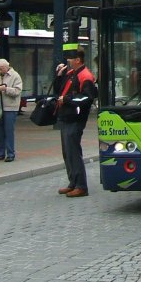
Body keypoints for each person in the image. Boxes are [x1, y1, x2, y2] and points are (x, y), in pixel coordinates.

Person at [54, 48, 95, 198]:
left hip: (75, 119)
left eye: (70, 58)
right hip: (67, 117)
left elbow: (87, 98)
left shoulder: (85, 76)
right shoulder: (72, 74)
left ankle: (81, 186)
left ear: (78, 59)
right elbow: (59, 90)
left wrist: (67, 100)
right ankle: (73, 182)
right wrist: (59, 76)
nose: (68, 61)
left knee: (73, 152)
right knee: (67, 153)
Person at [0, 58, 23, 162]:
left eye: (2, 68)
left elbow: (18, 91)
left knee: (9, 131)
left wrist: (6, 89)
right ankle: (0, 153)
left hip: (10, 107)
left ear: (7, 66)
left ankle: (10, 154)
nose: (0, 70)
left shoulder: (15, 76)